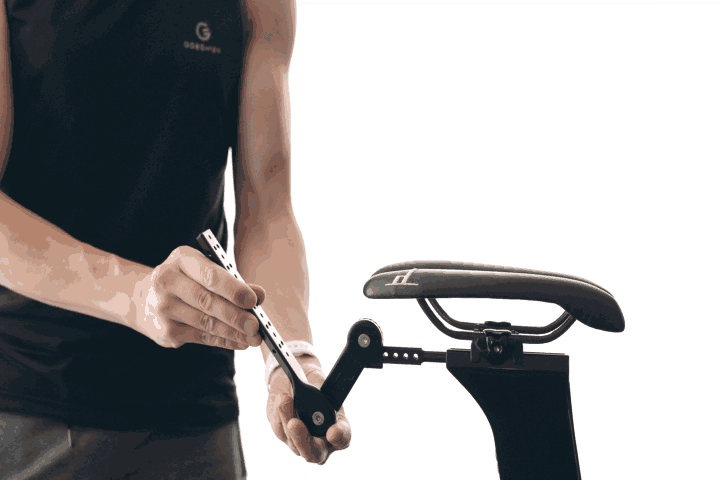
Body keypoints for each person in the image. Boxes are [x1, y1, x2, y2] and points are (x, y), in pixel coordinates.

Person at [0, 0, 351, 478]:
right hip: (29, 406)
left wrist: (290, 360)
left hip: (197, 419)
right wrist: (134, 295)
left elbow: (267, 210)